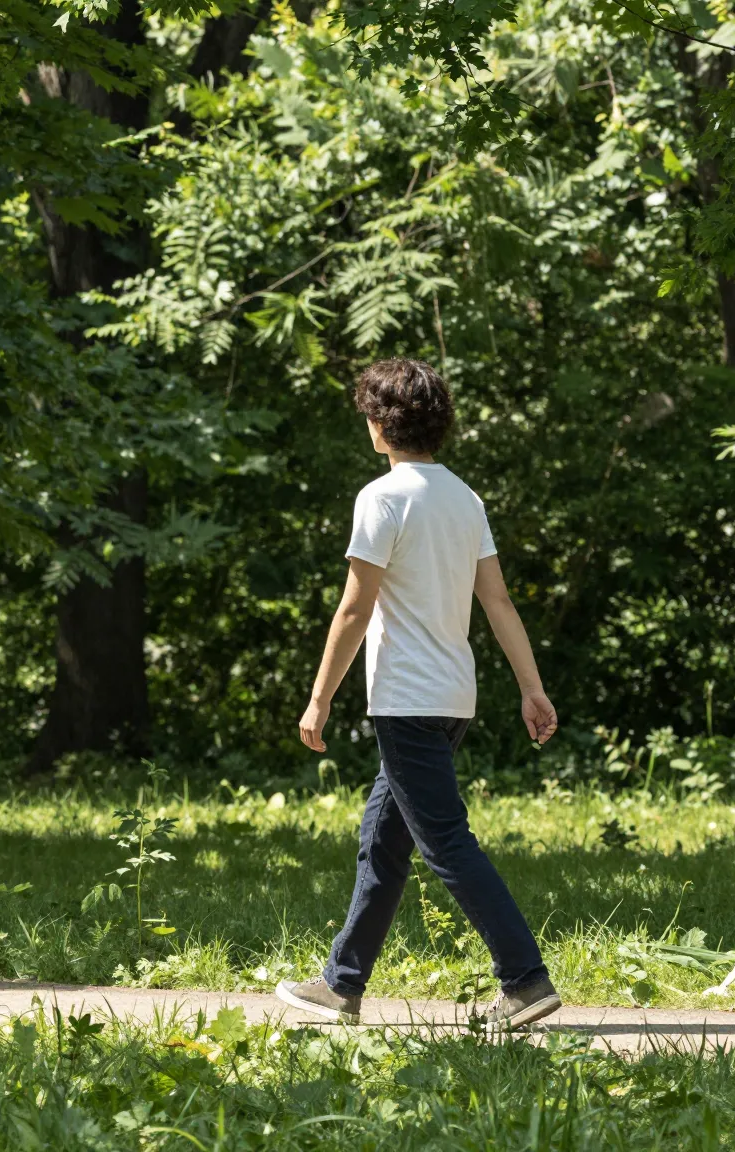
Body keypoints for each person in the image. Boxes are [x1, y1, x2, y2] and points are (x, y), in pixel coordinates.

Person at [274, 358, 562, 1032]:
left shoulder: (383, 498)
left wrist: (318, 699)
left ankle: (525, 980)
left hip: (405, 700)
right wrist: (531, 688)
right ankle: (341, 983)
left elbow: (353, 608)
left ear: (380, 425)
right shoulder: (464, 498)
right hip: (453, 699)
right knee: (384, 841)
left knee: (446, 845)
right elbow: (497, 602)